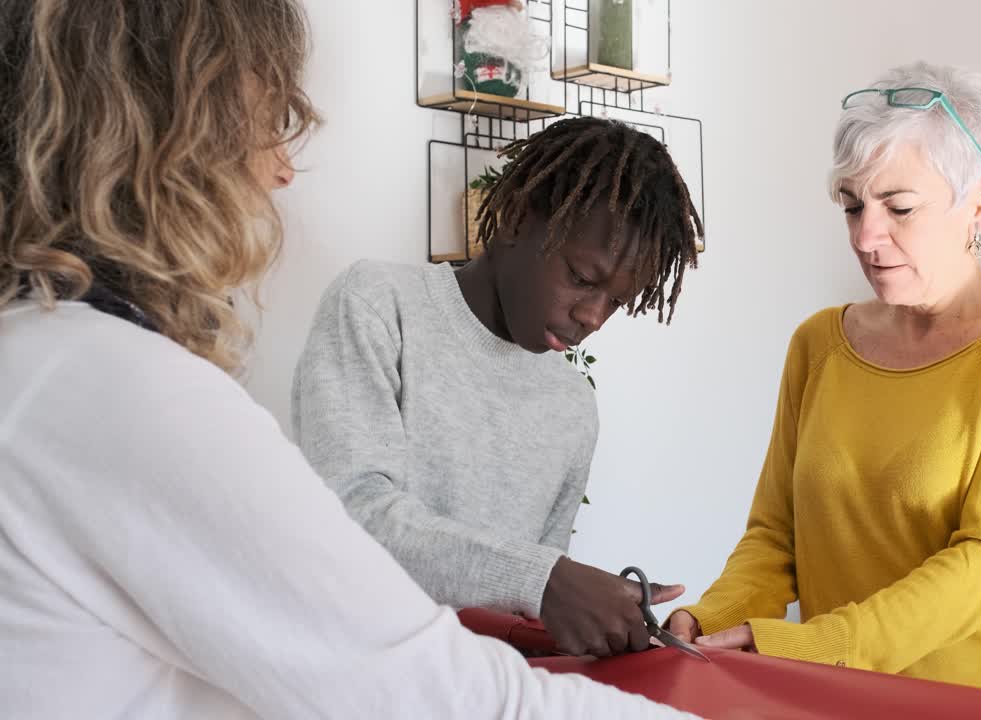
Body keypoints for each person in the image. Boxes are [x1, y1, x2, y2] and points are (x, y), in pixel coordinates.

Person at [0, 2, 695, 717]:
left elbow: (497, 643)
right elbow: (400, 640)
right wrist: (544, 580)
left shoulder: (58, 362)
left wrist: (571, 607)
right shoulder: (130, 391)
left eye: (616, 302)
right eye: (272, 124)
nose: (283, 172)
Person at [668, 61, 981, 703]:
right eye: (852, 206)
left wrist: (817, 646)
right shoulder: (819, 344)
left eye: (899, 207)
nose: (867, 237)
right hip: (845, 699)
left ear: (979, 202)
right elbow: (774, 537)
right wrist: (709, 616)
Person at [292, 116, 704, 657]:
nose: (594, 317)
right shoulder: (377, 304)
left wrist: (584, 622)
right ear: (514, 219)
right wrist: (548, 581)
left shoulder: (572, 404)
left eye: (617, 302)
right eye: (582, 279)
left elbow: (519, 616)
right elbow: (352, 512)